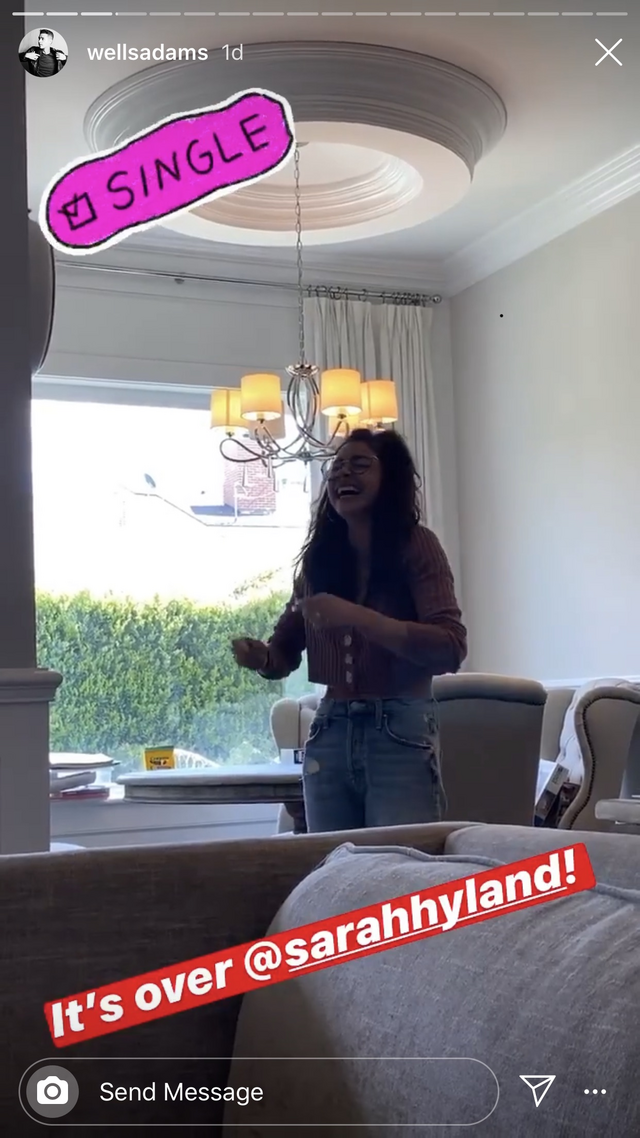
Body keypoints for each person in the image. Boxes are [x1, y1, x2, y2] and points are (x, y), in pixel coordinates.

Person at [231, 427, 467, 833]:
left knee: (398, 861)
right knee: (333, 860)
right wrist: (262, 657)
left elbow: (449, 647)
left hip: (399, 727)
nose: (343, 474)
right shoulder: (320, 559)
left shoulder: (417, 545)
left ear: (389, 477)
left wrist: (357, 616)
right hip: (330, 727)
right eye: (336, 467)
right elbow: (285, 649)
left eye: (359, 465)